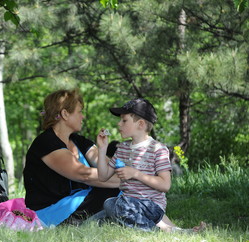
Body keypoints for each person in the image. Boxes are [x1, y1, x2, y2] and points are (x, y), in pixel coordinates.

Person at [96, 98, 205, 232]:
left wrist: (135, 173)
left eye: (124, 120)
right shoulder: (122, 148)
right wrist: (102, 149)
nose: (119, 124)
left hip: (151, 206)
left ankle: (158, 230)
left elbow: (165, 185)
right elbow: (103, 176)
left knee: (109, 204)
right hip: (127, 204)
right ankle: (175, 230)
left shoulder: (158, 149)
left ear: (140, 124)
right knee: (93, 221)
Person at [23, 88, 120, 227]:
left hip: (79, 202)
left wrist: (135, 173)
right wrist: (128, 181)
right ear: (65, 114)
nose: (83, 117)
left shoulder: (78, 140)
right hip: (51, 211)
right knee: (113, 190)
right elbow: (83, 175)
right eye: (79, 112)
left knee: (120, 189)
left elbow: (109, 166)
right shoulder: (46, 142)